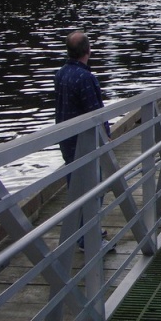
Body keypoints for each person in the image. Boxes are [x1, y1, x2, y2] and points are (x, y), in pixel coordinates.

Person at [54, 30, 113, 252]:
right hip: (85, 143)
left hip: (66, 140)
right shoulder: (86, 78)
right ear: (88, 51)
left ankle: (85, 231)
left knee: (75, 189)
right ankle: (87, 238)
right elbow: (95, 112)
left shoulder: (60, 74)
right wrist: (106, 136)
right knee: (93, 189)